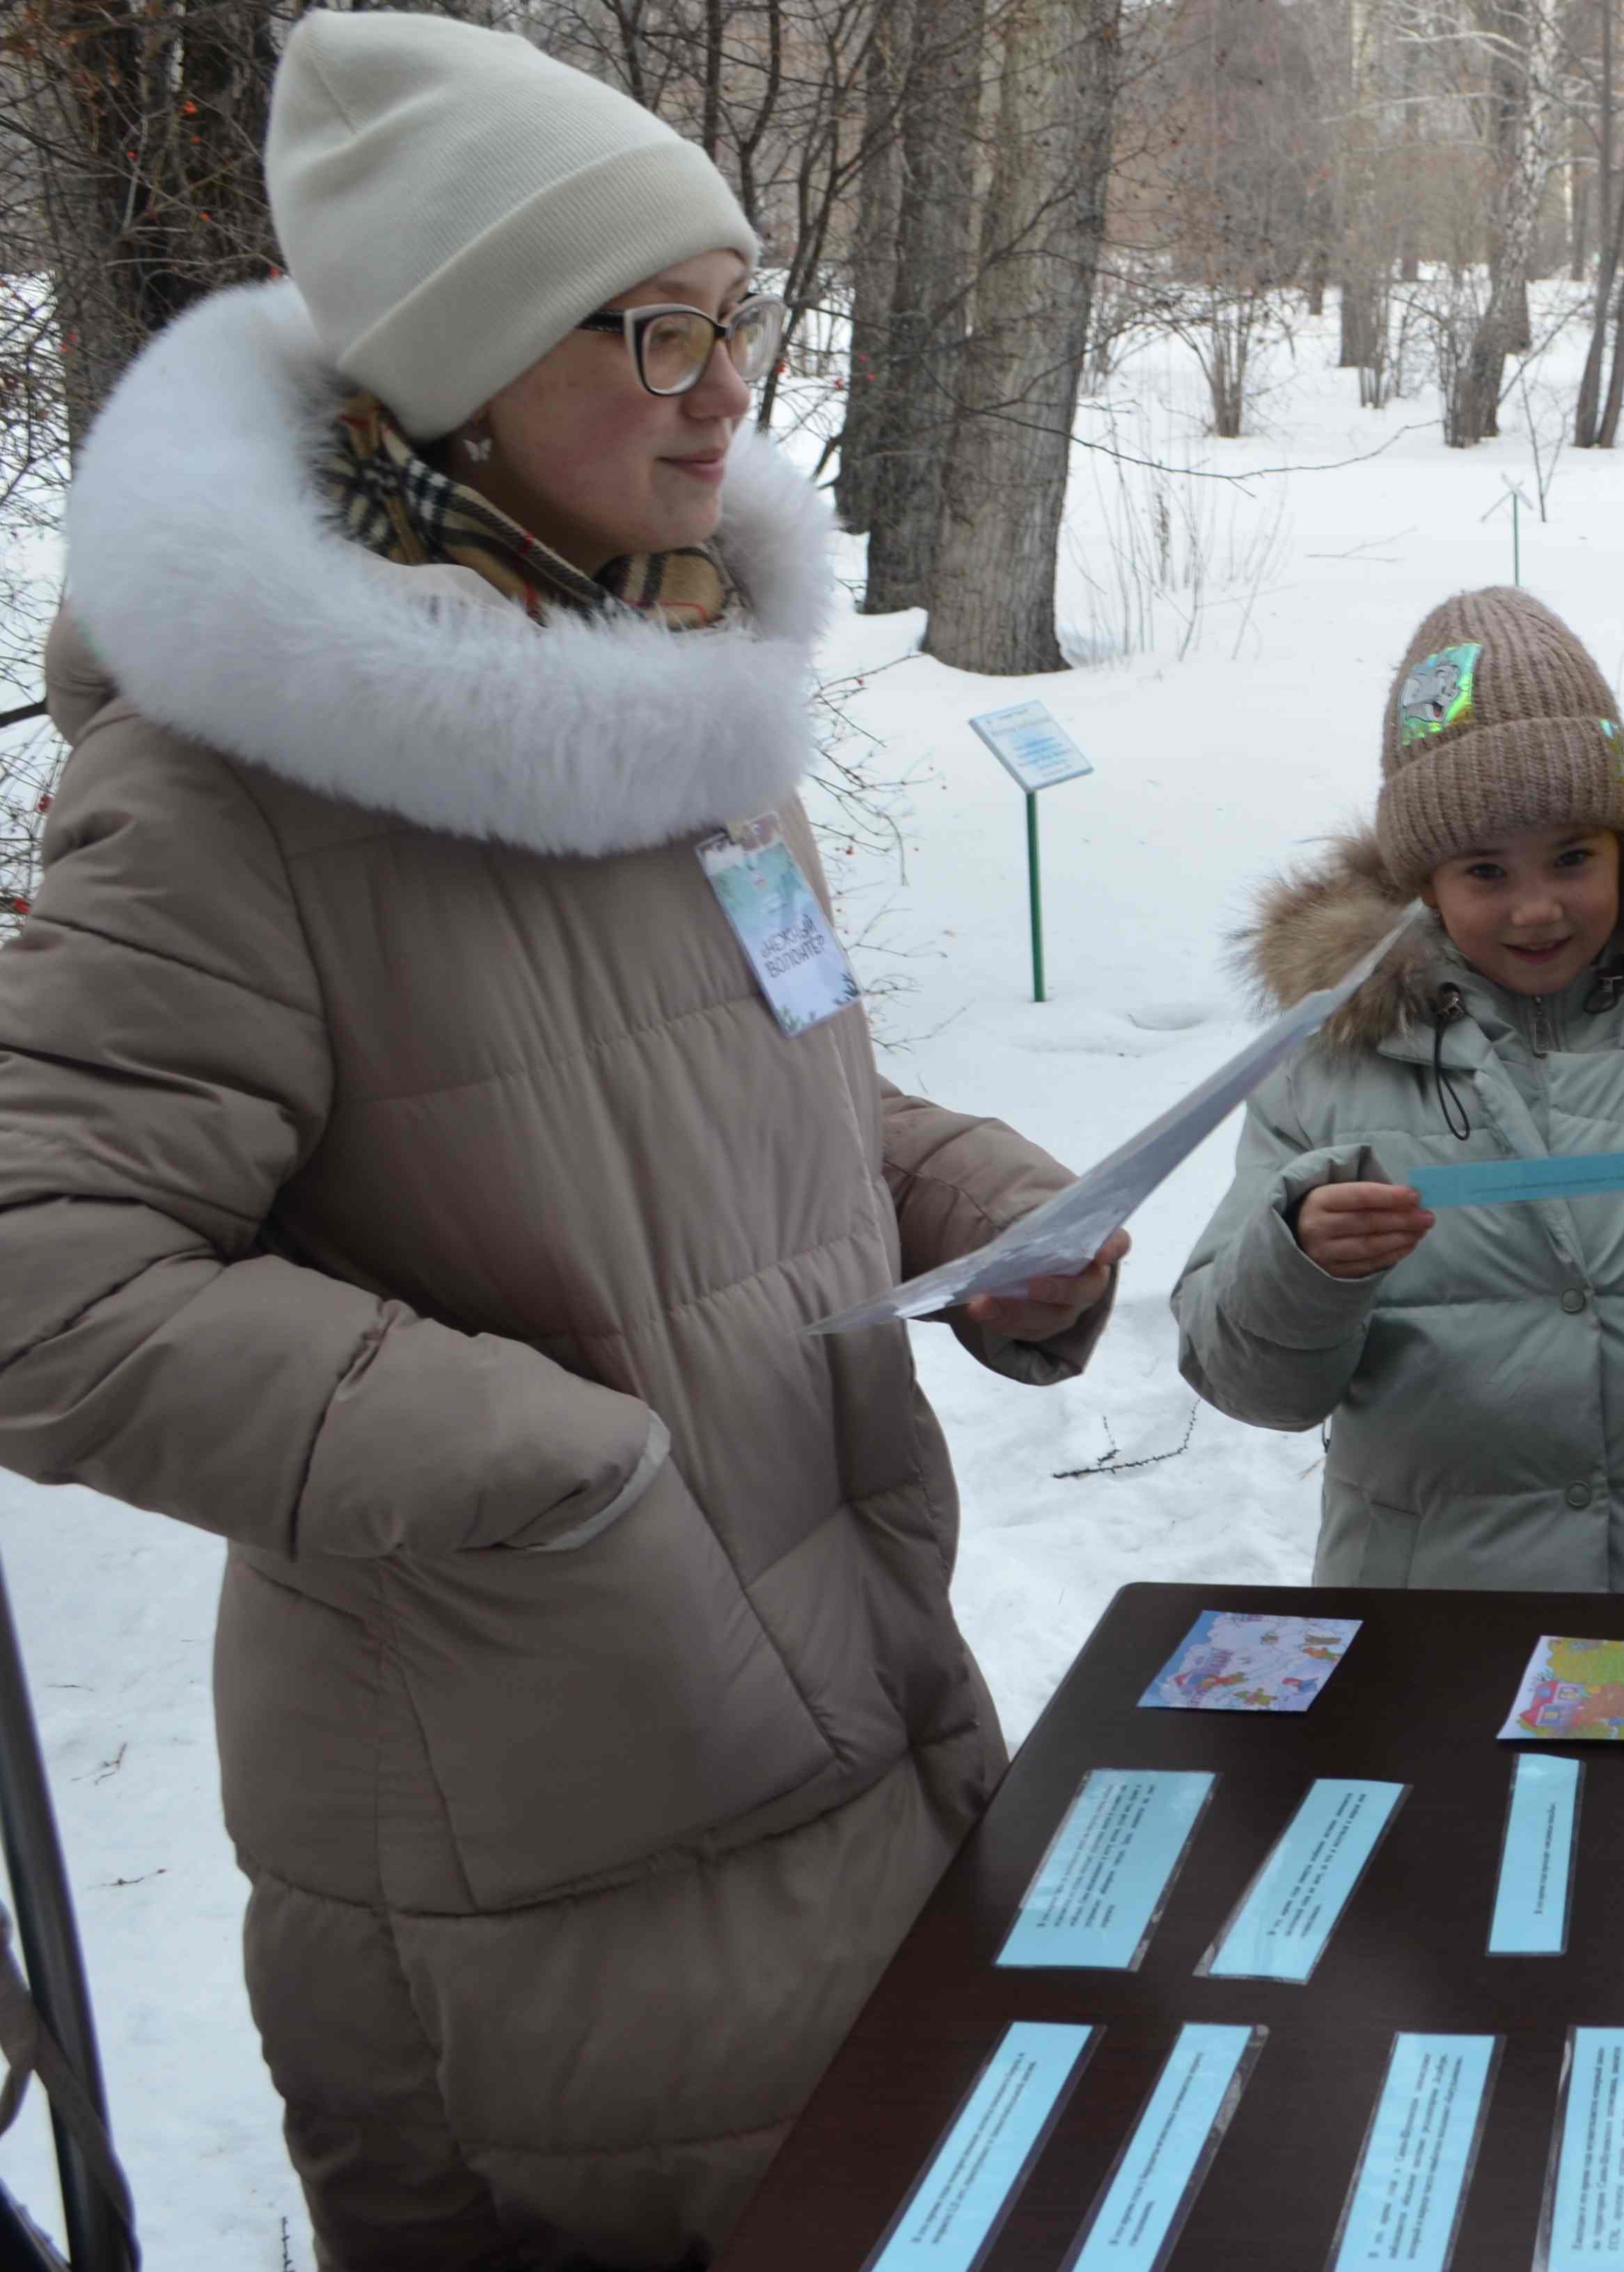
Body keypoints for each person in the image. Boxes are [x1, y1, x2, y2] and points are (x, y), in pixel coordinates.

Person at [0, 14, 1122, 2265]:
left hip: (851, 1729)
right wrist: (547, 1472)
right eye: (654, 331)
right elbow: (48, 1274)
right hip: (533, 1841)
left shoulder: (676, 696)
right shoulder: (233, 790)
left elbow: (754, 1082)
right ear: (461, 376)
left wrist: (978, 1198)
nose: (728, 391)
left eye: (739, 320)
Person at [1173, 588, 1624, 1591]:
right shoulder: (1322, 1075)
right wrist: (1299, 1265)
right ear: (1423, 885)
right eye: (1485, 872)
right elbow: (1252, 1386)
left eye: (1572, 857)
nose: (1537, 908)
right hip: (1423, 1618)